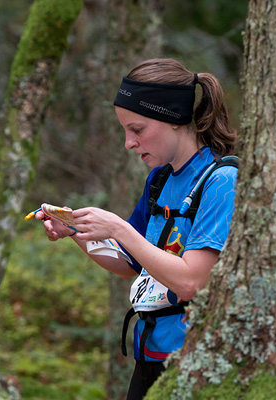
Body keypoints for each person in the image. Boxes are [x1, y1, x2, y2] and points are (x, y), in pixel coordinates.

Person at [36, 58, 238, 399]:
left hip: (194, 361)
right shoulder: (159, 180)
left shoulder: (221, 181)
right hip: (149, 357)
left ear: (173, 117)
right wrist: (75, 231)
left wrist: (117, 227)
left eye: (137, 129)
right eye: (125, 131)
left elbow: (193, 281)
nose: (129, 143)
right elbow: (128, 263)